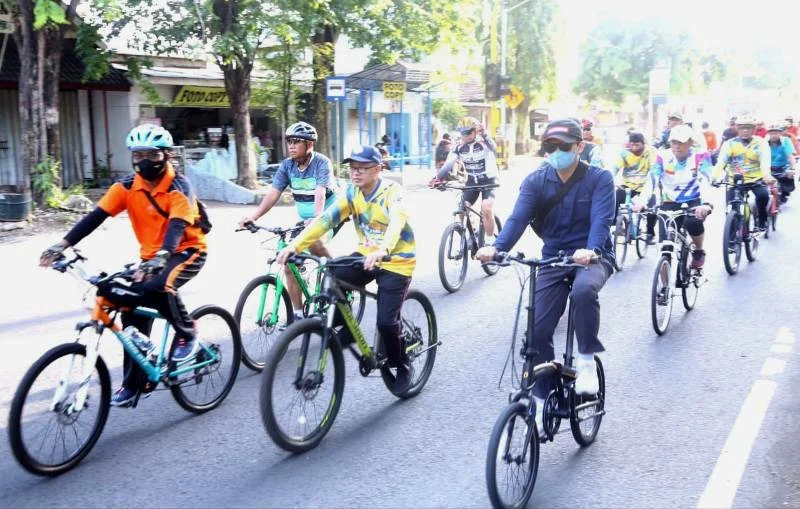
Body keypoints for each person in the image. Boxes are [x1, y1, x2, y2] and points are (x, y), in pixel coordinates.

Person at [39, 124, 208, 407]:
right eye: (138, 155)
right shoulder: (127, 187)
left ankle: (187, 332)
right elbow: (95, 217)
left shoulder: (180, 186)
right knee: (126, 304)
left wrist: (163, 256)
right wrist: (62, 244)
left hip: (186, 251)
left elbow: (177, 226)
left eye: (152, 155)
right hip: (150, 259)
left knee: (159, 285)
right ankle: (136, 382)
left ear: (166, 156)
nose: (144, 162)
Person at [475, 118, 615, 436]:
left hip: (592, 257)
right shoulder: (536, 180)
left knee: (583, 292)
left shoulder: (600, 179)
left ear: (580, 146)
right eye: (549, 147)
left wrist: (591, 249)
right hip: (554, 257)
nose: (555, 152)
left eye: (562, 146)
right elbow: (517, 219)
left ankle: (586, 359)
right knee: (536, 334)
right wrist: (495, 249)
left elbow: (601, 220)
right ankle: (542, 399)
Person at [276, 146, 417, 393]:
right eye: (352, 168)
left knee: (386, 323)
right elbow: (326, 221)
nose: (355, 173)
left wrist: (383, 249)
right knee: (333, 274)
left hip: (396, 261)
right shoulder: (352, 193)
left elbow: (397, 220)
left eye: (362, 168)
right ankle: (348, 329)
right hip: (366, 256)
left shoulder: (392, 192)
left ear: (378, 169)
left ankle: (402, 364)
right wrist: (295, 246)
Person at [239, 121, 338, 321]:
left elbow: (319, 192)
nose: (291, 146)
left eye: (296, 141)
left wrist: (316, 218)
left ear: (309, 144)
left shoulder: (321, 162)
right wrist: (253, 217)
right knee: (288, 260)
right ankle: (299, 315)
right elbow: (273, 193)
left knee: (315, 242)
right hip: (305, 220)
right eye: (289, 141)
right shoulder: (287, 165)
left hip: (327, 215)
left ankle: (336, 274)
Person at [634, 125, 714, 269]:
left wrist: (706, 203)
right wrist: (642, 201)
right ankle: (663, 288)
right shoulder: (663, 156)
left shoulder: (700, 155)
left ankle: (698, 251)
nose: (676, 146)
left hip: (694, 199)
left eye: (681, 142)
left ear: (690, 142)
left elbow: (705, 178)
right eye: (674, 142)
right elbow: (653, 178)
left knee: (692, 223)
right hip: (670, 200)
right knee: (665, 246)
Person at [433, 116, 500, 242]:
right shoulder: (458, 147)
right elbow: (448, 164)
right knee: (462, 209)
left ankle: (490, 240)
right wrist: (438, 178)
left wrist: (484, 133)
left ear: (475, 132)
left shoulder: (484, 143)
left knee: (486, 208)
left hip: (489, 182)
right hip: (471, 182)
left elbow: (494, 146)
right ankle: (472, 234)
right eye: (462, 132)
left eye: (468, 132)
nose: (464, 135)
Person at [713, 115, 776, 231]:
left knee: (763, 196)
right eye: (742, 128)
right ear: (737, 129)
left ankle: (762, 221)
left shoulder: (760, 143)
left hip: (756, 179)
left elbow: (765, 161)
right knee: (731, 207)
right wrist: (714, 177)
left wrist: (767, 175)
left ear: (753, 129)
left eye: (748, 128)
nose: (745, 130)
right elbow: (721, 162)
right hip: (735, 180)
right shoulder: (729, 144)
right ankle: (731, 238)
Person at [612, 132, 657, 244]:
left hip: (646, 185)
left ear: (643, 144)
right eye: (632, 145)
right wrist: (610, 180)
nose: (634, 148)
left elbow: (654, 170)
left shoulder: (651, 152)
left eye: (637, 145)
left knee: (652, 208)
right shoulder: (624, 152)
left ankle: (650, 233)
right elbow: (615, 167)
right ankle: (616, 226)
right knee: (614, 199)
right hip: (628, 185)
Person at [766, 124, 797, 203]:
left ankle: (784, 193)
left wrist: (793, 168)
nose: (774, 135)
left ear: (780, 133)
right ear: (769, 134)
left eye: (776, 133)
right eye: (772, 133)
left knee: (787, 185)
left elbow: (790, 156)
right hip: (768, 167)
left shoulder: (785, 141)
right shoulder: (764, 142)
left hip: (783, 166)